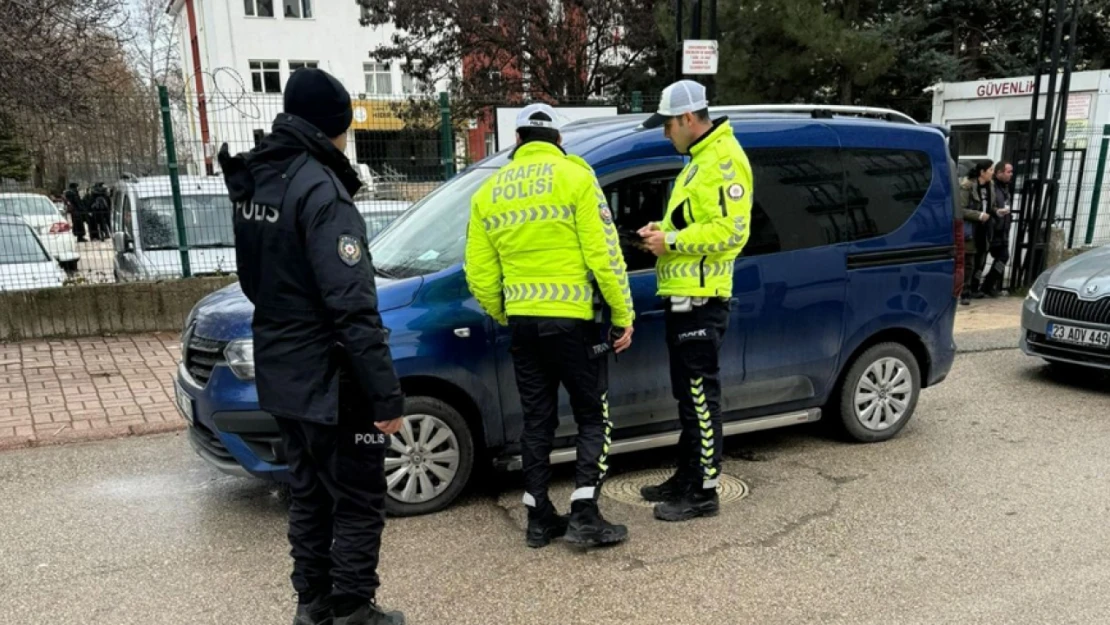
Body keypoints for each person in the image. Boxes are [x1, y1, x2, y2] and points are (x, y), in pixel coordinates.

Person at [218, 68, 406, 625]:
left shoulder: (259, 177)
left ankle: (313, 607)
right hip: (332, 378)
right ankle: (351, 609)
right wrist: (386, 396)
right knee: (357, 496)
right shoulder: (321, 187)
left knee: (307, 495)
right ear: (334, 127)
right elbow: (352, 305)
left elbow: (254, 280)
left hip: (281, 369)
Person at [464, 103, 636, 549]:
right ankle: (584, 514)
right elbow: (606, 256)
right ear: (559, 141)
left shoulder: (489, 191)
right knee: (591, 417)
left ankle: (538, 518)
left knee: (537, 421)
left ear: (518, 141)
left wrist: (508, 313)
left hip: (523, 325)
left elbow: (479, 274)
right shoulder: (577, 178)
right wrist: (623, 314)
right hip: (574, 326)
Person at [636, 80, 752, 522]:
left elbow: (731, 233)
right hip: (684, 297)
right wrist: (660, 231)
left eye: (667, 125)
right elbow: (694, 222)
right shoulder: (699, 160)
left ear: (688, 119)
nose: (666, 134)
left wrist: (673, 240)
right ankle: (686, 476)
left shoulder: (723, 161)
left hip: (702, 300)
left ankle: (704, 492)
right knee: (687, 396)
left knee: (701, 399)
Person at [957, 159, 998, 305]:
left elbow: (990, 207)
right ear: (982, 172)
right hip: (971, 229)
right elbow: (960, 209)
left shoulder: (990, 187)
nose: (993, 173)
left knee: (981, 260)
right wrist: (979, 215)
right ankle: (965, 292)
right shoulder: (967, 186)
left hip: (984, 229)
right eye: (991, 170)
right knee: (969, 262)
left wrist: (997, 212)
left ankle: (975, 287)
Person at [982, 161, 1015, 297]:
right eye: (1008, 172)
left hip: (1002, 230)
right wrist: (997, 212)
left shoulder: (1005, 188)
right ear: (999, 172)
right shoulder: (992, 186)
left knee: (1003, 257)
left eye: (1011, 172)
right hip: (991, 229)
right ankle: (973, 287)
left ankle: (988, 285)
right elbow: (989, 206)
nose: (1011, 175)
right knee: (980, 260)